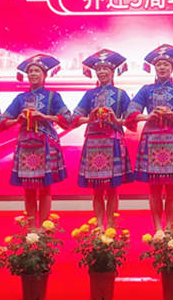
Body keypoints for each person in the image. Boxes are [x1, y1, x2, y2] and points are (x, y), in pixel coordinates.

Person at [126, 44, 173, 232]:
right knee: (154, 189)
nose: (162, 68)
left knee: (172, 188)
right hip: (151, 140)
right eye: (159, 64)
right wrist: (147, 116)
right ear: (154, 67)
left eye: (165, 65)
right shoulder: (146, 90)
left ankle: (169, 227)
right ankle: (157, 228)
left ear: (172, 67)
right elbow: (131, 112)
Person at [0, 54, 71, 228]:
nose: (33, 74)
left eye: (37, 71)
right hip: (26, 145)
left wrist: (44, 116)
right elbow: (2, 121)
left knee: (45, 188)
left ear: (44, 75)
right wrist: (18, 119)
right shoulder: (20, 98)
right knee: (28, 189)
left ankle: (44, 228)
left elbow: (67, 119)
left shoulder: (53, 96)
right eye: (30, 71)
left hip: (46, 144)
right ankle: (31, 228)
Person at [71, 49, 133, 228]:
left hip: (113, 141)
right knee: (97, 189)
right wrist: (89, 118)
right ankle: (99, 226)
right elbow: (74, 118)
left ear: (113, 72)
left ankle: (111, 226)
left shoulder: (121, 94)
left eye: (106, 69)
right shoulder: (89, 95)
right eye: (99, 69)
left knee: (113, 188)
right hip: (93, 143)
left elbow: (131, 121)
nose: (102, 72)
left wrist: (115, 119)